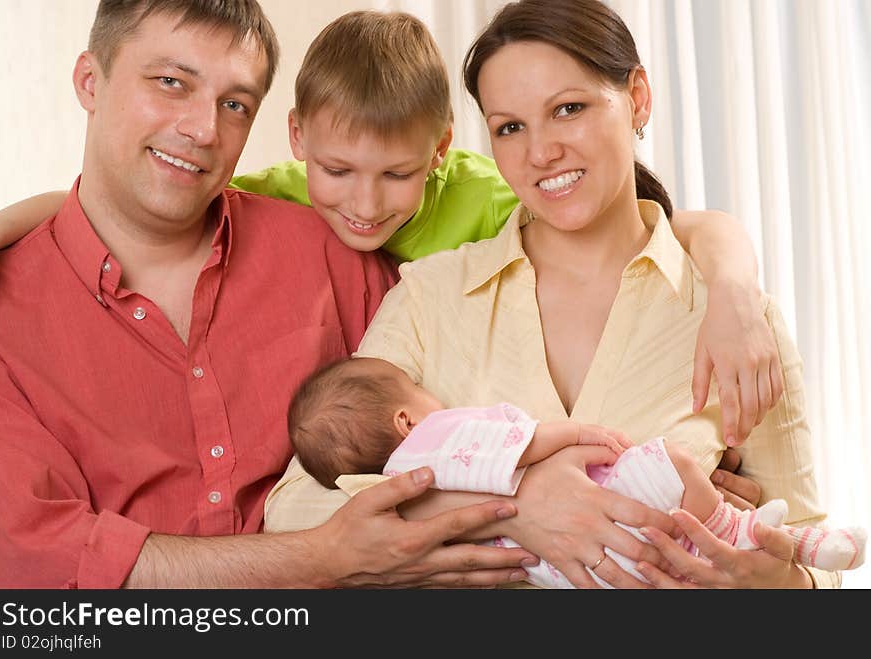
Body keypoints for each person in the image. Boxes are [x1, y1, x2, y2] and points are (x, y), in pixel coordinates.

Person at [0, 9, 786, 454]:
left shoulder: (493, 197)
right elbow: (127, 194)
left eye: (398, 175)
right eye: (338, 171)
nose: (364, 205)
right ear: (298, 142)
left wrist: (734, 281)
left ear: (441, 149)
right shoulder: (284, 196)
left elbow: (653, 230)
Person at [266, 0, 843, 589]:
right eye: (510, 127)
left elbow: (810, 567)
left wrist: (767, 585)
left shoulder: (735, 319)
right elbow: (295, 512)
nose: (540, 153)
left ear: (638, 97)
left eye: (569, 109)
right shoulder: (430, 298)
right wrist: (516, 501)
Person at [0, 0, 550, 589]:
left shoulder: (334, 253)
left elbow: (460, 424)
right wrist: (321, 557)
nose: (203, 130)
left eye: (234, 104)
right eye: (171, 82)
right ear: (89, 81)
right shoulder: (5, 309)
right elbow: (36, 563)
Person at [283, 356, 866, 588]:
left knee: (673, 552)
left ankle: (753, 545)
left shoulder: (395, 484)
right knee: (676, 464)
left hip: (550, 570)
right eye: (421, 390)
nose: (436, 397)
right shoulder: (434, 437)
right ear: (406, 418)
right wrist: (575, 436)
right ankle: (765, 537)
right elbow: (516, 445)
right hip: (594, 514)